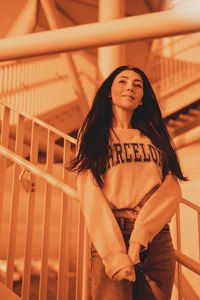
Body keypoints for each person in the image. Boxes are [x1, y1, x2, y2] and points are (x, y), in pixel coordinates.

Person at [67, 66, 188, 300]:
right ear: (109, 93)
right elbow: (90, 196)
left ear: (142, 99)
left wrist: (139, 238)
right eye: (122, 81)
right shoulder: (93, 136)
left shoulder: (154, 137)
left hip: (156, 237)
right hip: (113, 234)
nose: (130, 87)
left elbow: (172, 188)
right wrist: (116, 255)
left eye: (138, 84)